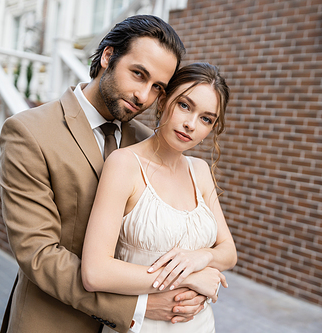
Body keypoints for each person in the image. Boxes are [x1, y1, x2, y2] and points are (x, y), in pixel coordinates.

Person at [0, 15, 210, 333]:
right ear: (108, 56)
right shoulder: (30, 132)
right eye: (138, 74)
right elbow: (38, 253)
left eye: (157, 88)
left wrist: (201, 266)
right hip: (54, 322)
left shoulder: (146, 142)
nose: (143, 96)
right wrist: (139, 306)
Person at [81, 62, 238, 332]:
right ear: (164, 101)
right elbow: (95, 273)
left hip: (199, 325)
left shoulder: (199, 171)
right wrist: (190, 279)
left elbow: (228, 252)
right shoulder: (124, 165)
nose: (190, 125)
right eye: (185, 106)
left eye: (206, 119)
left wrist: (201, 258)